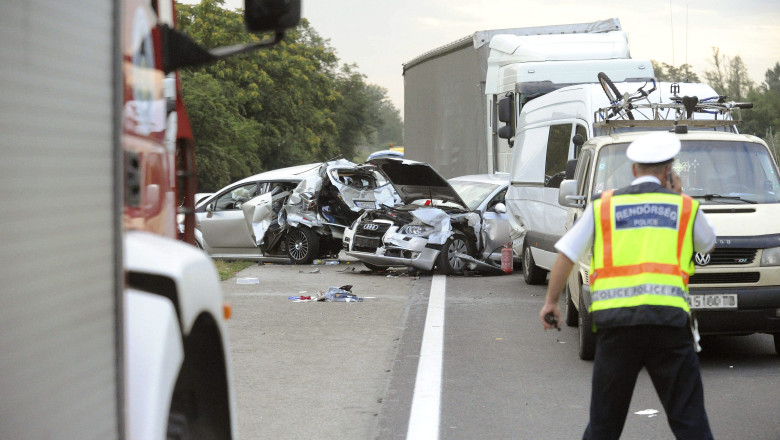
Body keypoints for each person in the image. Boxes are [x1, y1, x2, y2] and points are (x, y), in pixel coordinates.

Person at [538, 131, 716, 439]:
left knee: (605, 424)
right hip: (668, 325)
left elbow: (567, 253)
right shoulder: (684, 207)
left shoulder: (603, 207)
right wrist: (680, 196)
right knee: (689, 421)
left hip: (617, 327)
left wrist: (551, 302)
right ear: (669, 170)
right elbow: (707, 245)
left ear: (634, 169)